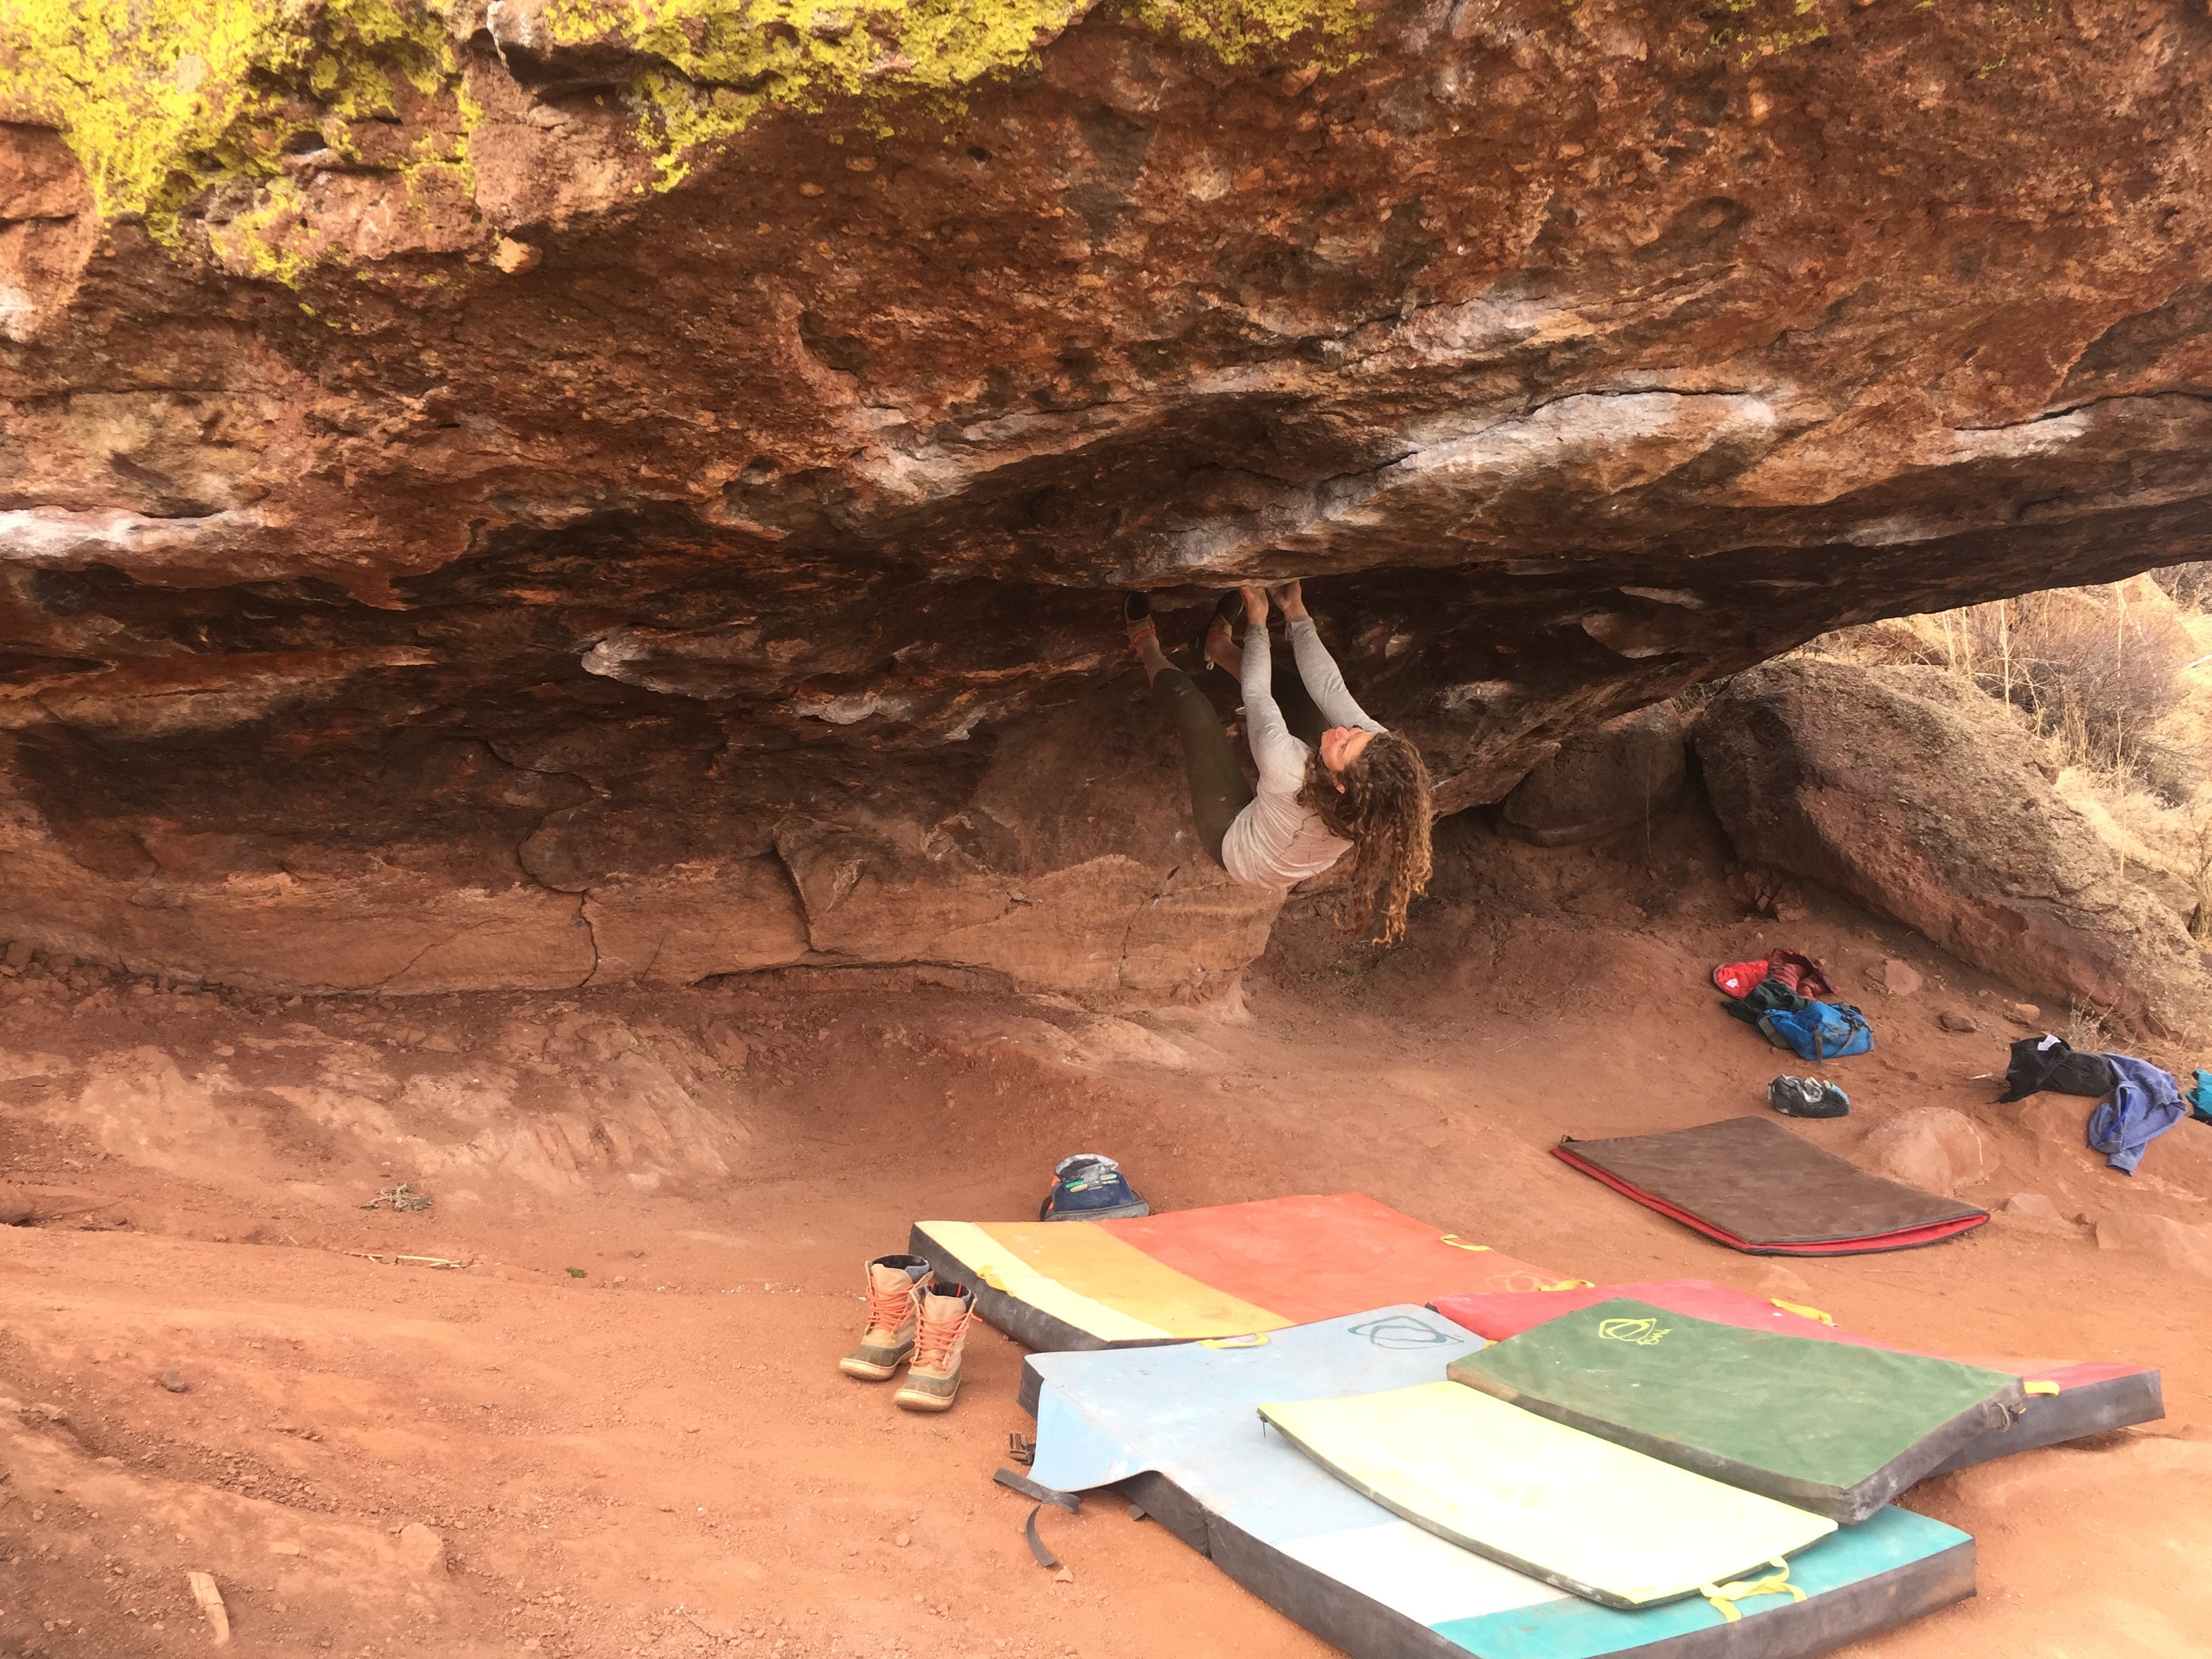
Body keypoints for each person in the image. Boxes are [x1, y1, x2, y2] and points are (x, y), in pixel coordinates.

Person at [1122, 580, 1434, 944]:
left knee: (1196, 714)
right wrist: (1295, 612)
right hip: (1292, 825)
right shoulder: (1381, 765)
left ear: (1341, 785)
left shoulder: (1288, 769)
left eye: (1345, 745)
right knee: (1305, 701)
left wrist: (1257, 621)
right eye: (1355, 731)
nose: (1343, 731)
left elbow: (1256, 694)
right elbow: (1331, 689)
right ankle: (1216, 645)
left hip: (1240, 848)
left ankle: (1144, 644)